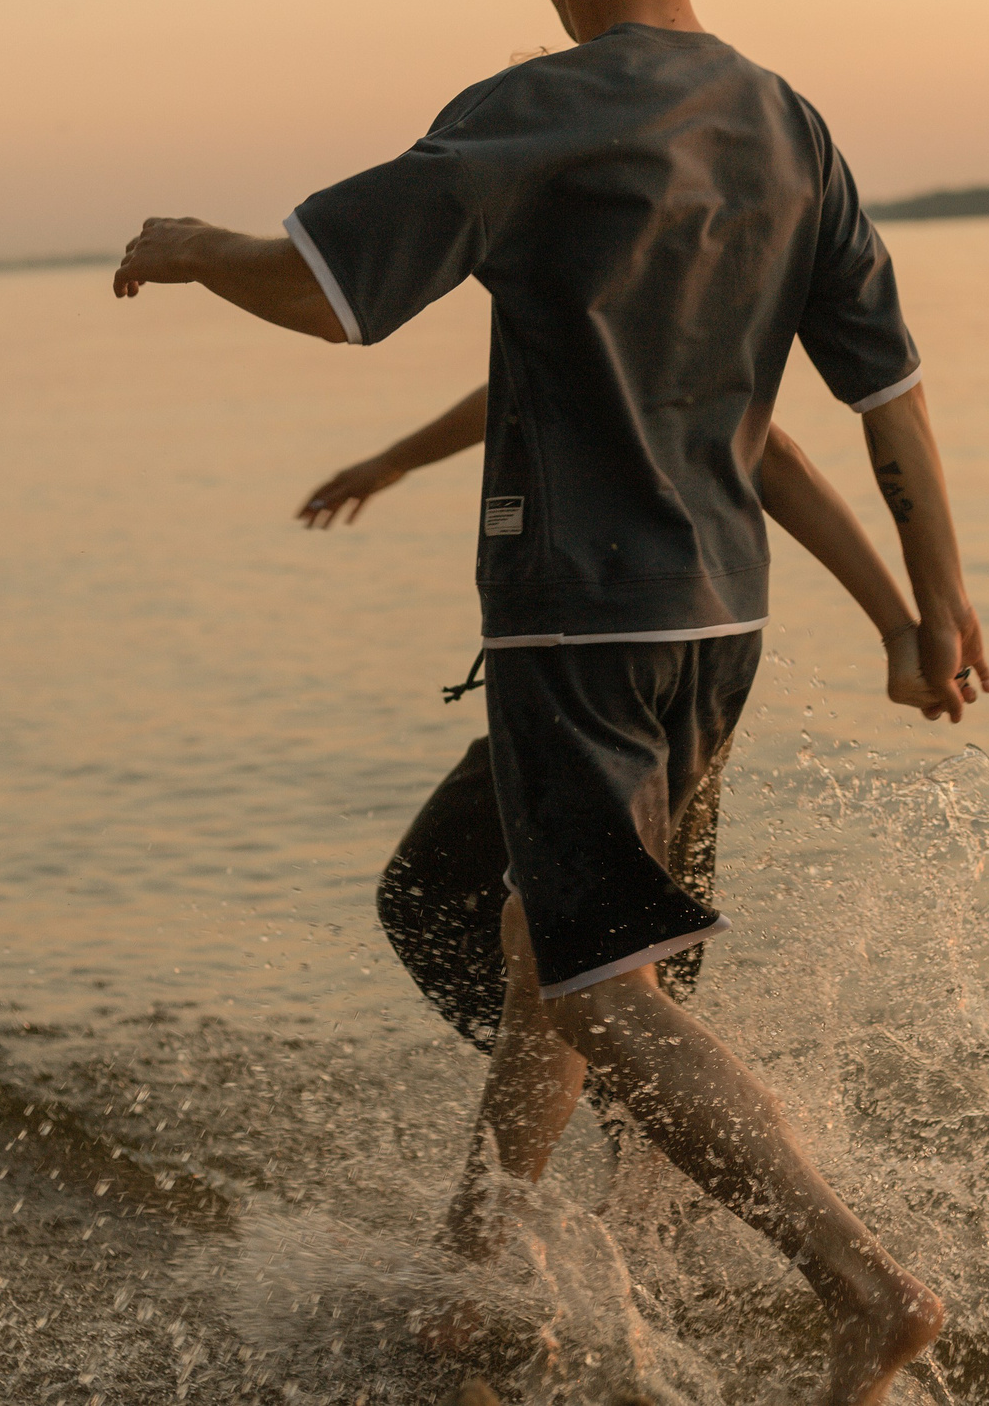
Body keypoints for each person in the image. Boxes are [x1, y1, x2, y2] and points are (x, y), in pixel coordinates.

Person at [113, 0, 989, 1405]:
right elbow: (884, 395)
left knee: (595, 981)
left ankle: (862, 1280)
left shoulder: (537, 111)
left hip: (580, 623)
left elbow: (327, 289)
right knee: (546, 947)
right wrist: (930, 605)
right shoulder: (790, 129)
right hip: (717, 630)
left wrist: (191, 244)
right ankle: (476, 1267)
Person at [298, 386, 953, 1051]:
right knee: (603, 949)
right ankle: (632, 1087)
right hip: (669, 648)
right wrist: (396, 459)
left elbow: (768, 450)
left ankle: (657, 1090)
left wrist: (905, 628)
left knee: (483, 912)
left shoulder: (649, 330)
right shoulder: (646, 336)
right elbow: (533, 377)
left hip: (611, 657)